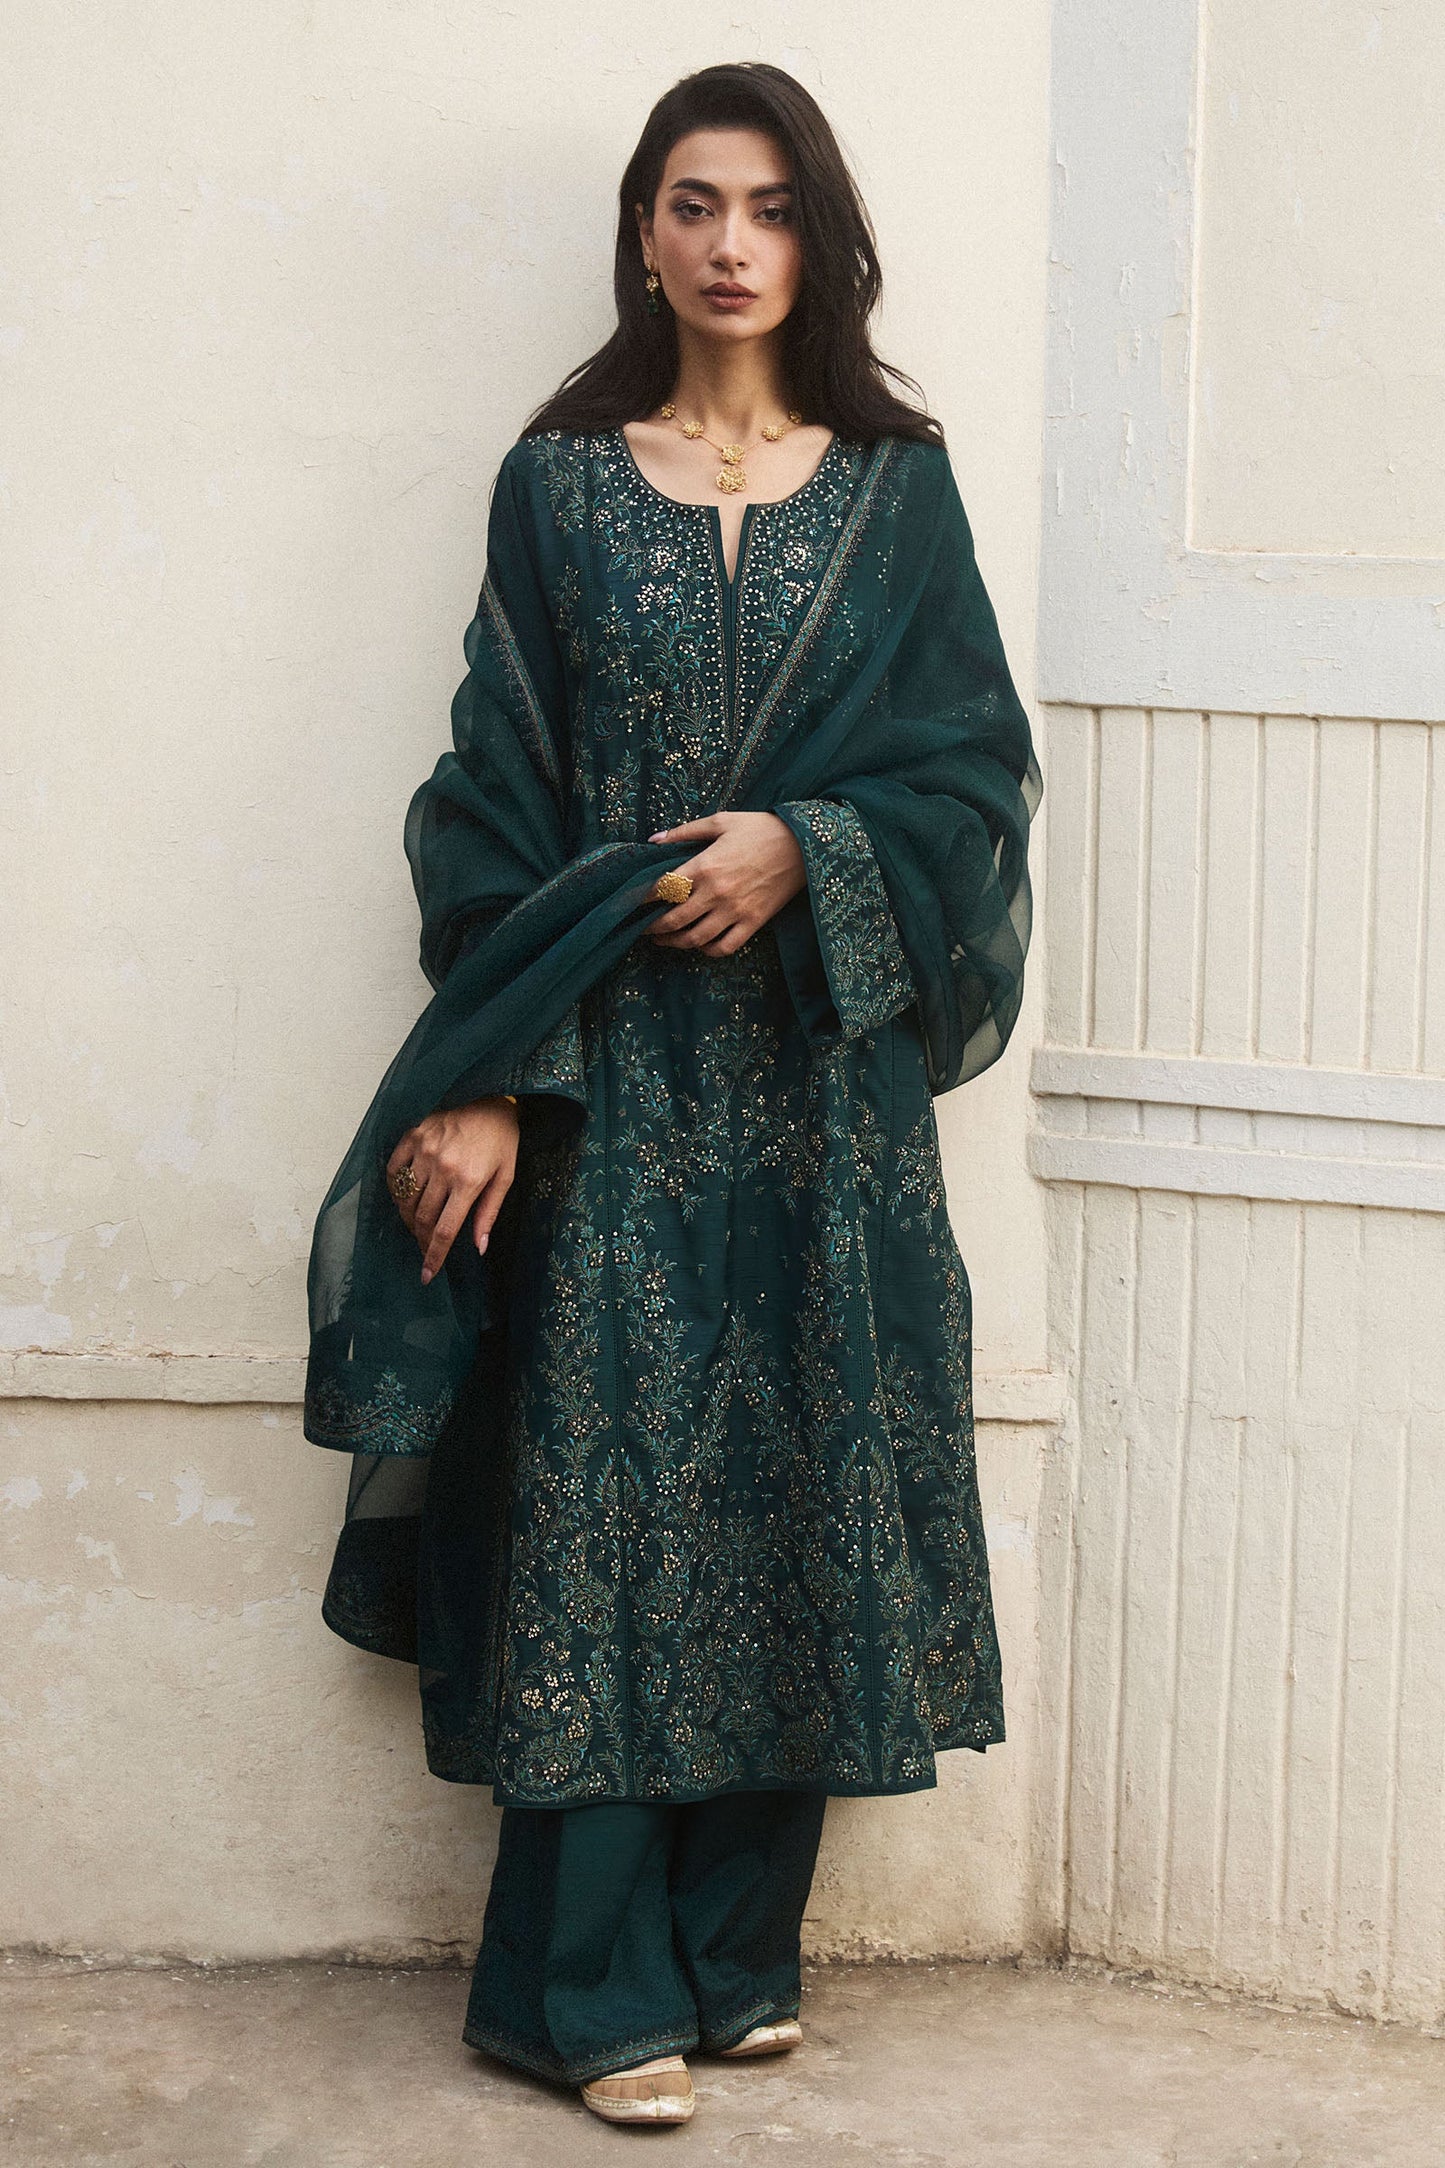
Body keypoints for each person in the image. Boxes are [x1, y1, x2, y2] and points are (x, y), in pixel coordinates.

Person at [302, 60, 1041, 2127]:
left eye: (772, 208)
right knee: (600, 1494)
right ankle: (581, 1987)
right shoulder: (556, 486)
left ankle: (736, 1955)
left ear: (822, 240)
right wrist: (491, 1082)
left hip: (820, 1083)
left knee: (799, 1473)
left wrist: (813, 848)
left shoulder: (898, 489)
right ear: (642, 230)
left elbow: (973, 780)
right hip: (606, 1072)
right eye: (695, 203)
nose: (732, 245)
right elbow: (492, 793)